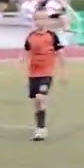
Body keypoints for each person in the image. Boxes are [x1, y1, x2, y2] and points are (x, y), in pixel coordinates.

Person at [22, 10, 64, 141]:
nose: (39, 22)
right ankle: (41, 128)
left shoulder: (52, 36)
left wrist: (64, 72)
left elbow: (60, 53)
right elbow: (27, 51)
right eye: (37, 19)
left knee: (41, 97)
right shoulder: (31, 36)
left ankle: (41, 128)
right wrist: (22, 63)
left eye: (42, 19)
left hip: (47, 72)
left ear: (47, 20)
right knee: (36, 102)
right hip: (33, 73)